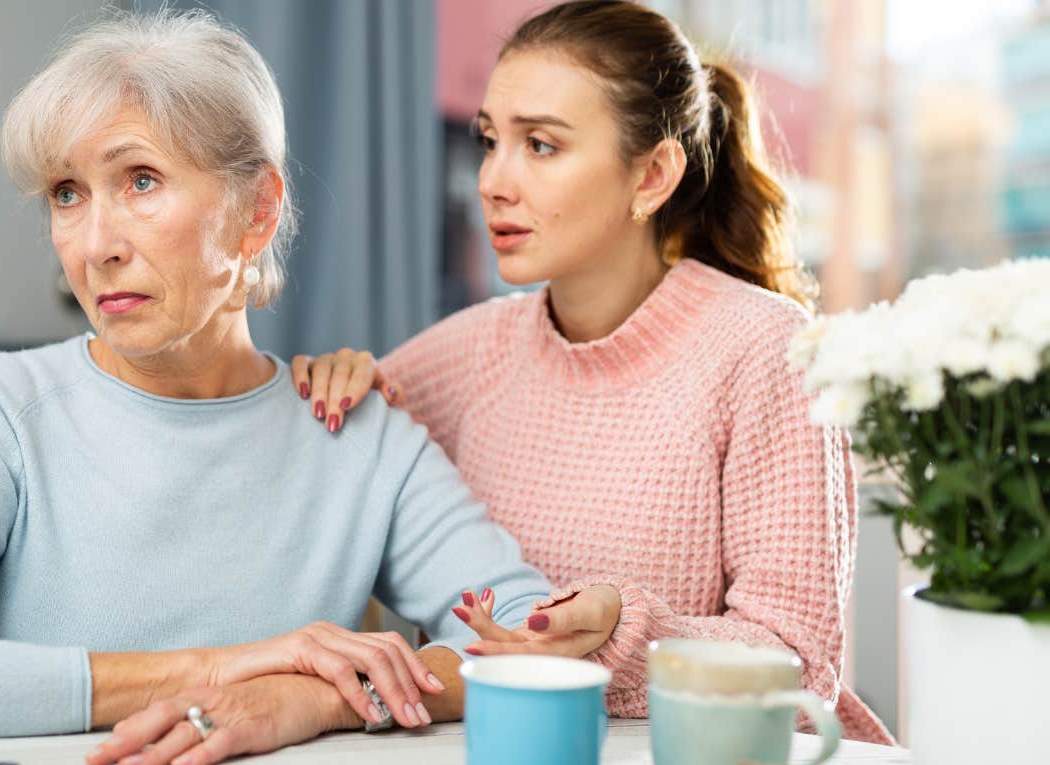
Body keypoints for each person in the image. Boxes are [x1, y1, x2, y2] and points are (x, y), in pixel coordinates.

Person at [0, 11, 618, 765]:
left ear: (257, 211)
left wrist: (313, 698)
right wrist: (226, 669)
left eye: (139, 180)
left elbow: (525, 632)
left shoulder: (354, 429)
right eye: (67, 193)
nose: (95, 245)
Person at [293, 0, 893, 745]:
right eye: (490, 141)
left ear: (652, 176)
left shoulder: (766, 349)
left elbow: (802, 666)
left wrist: (623, 627)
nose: (492, 181)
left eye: (541, 146)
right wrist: (334, 382)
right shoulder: (468, 352)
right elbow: (321, 459)